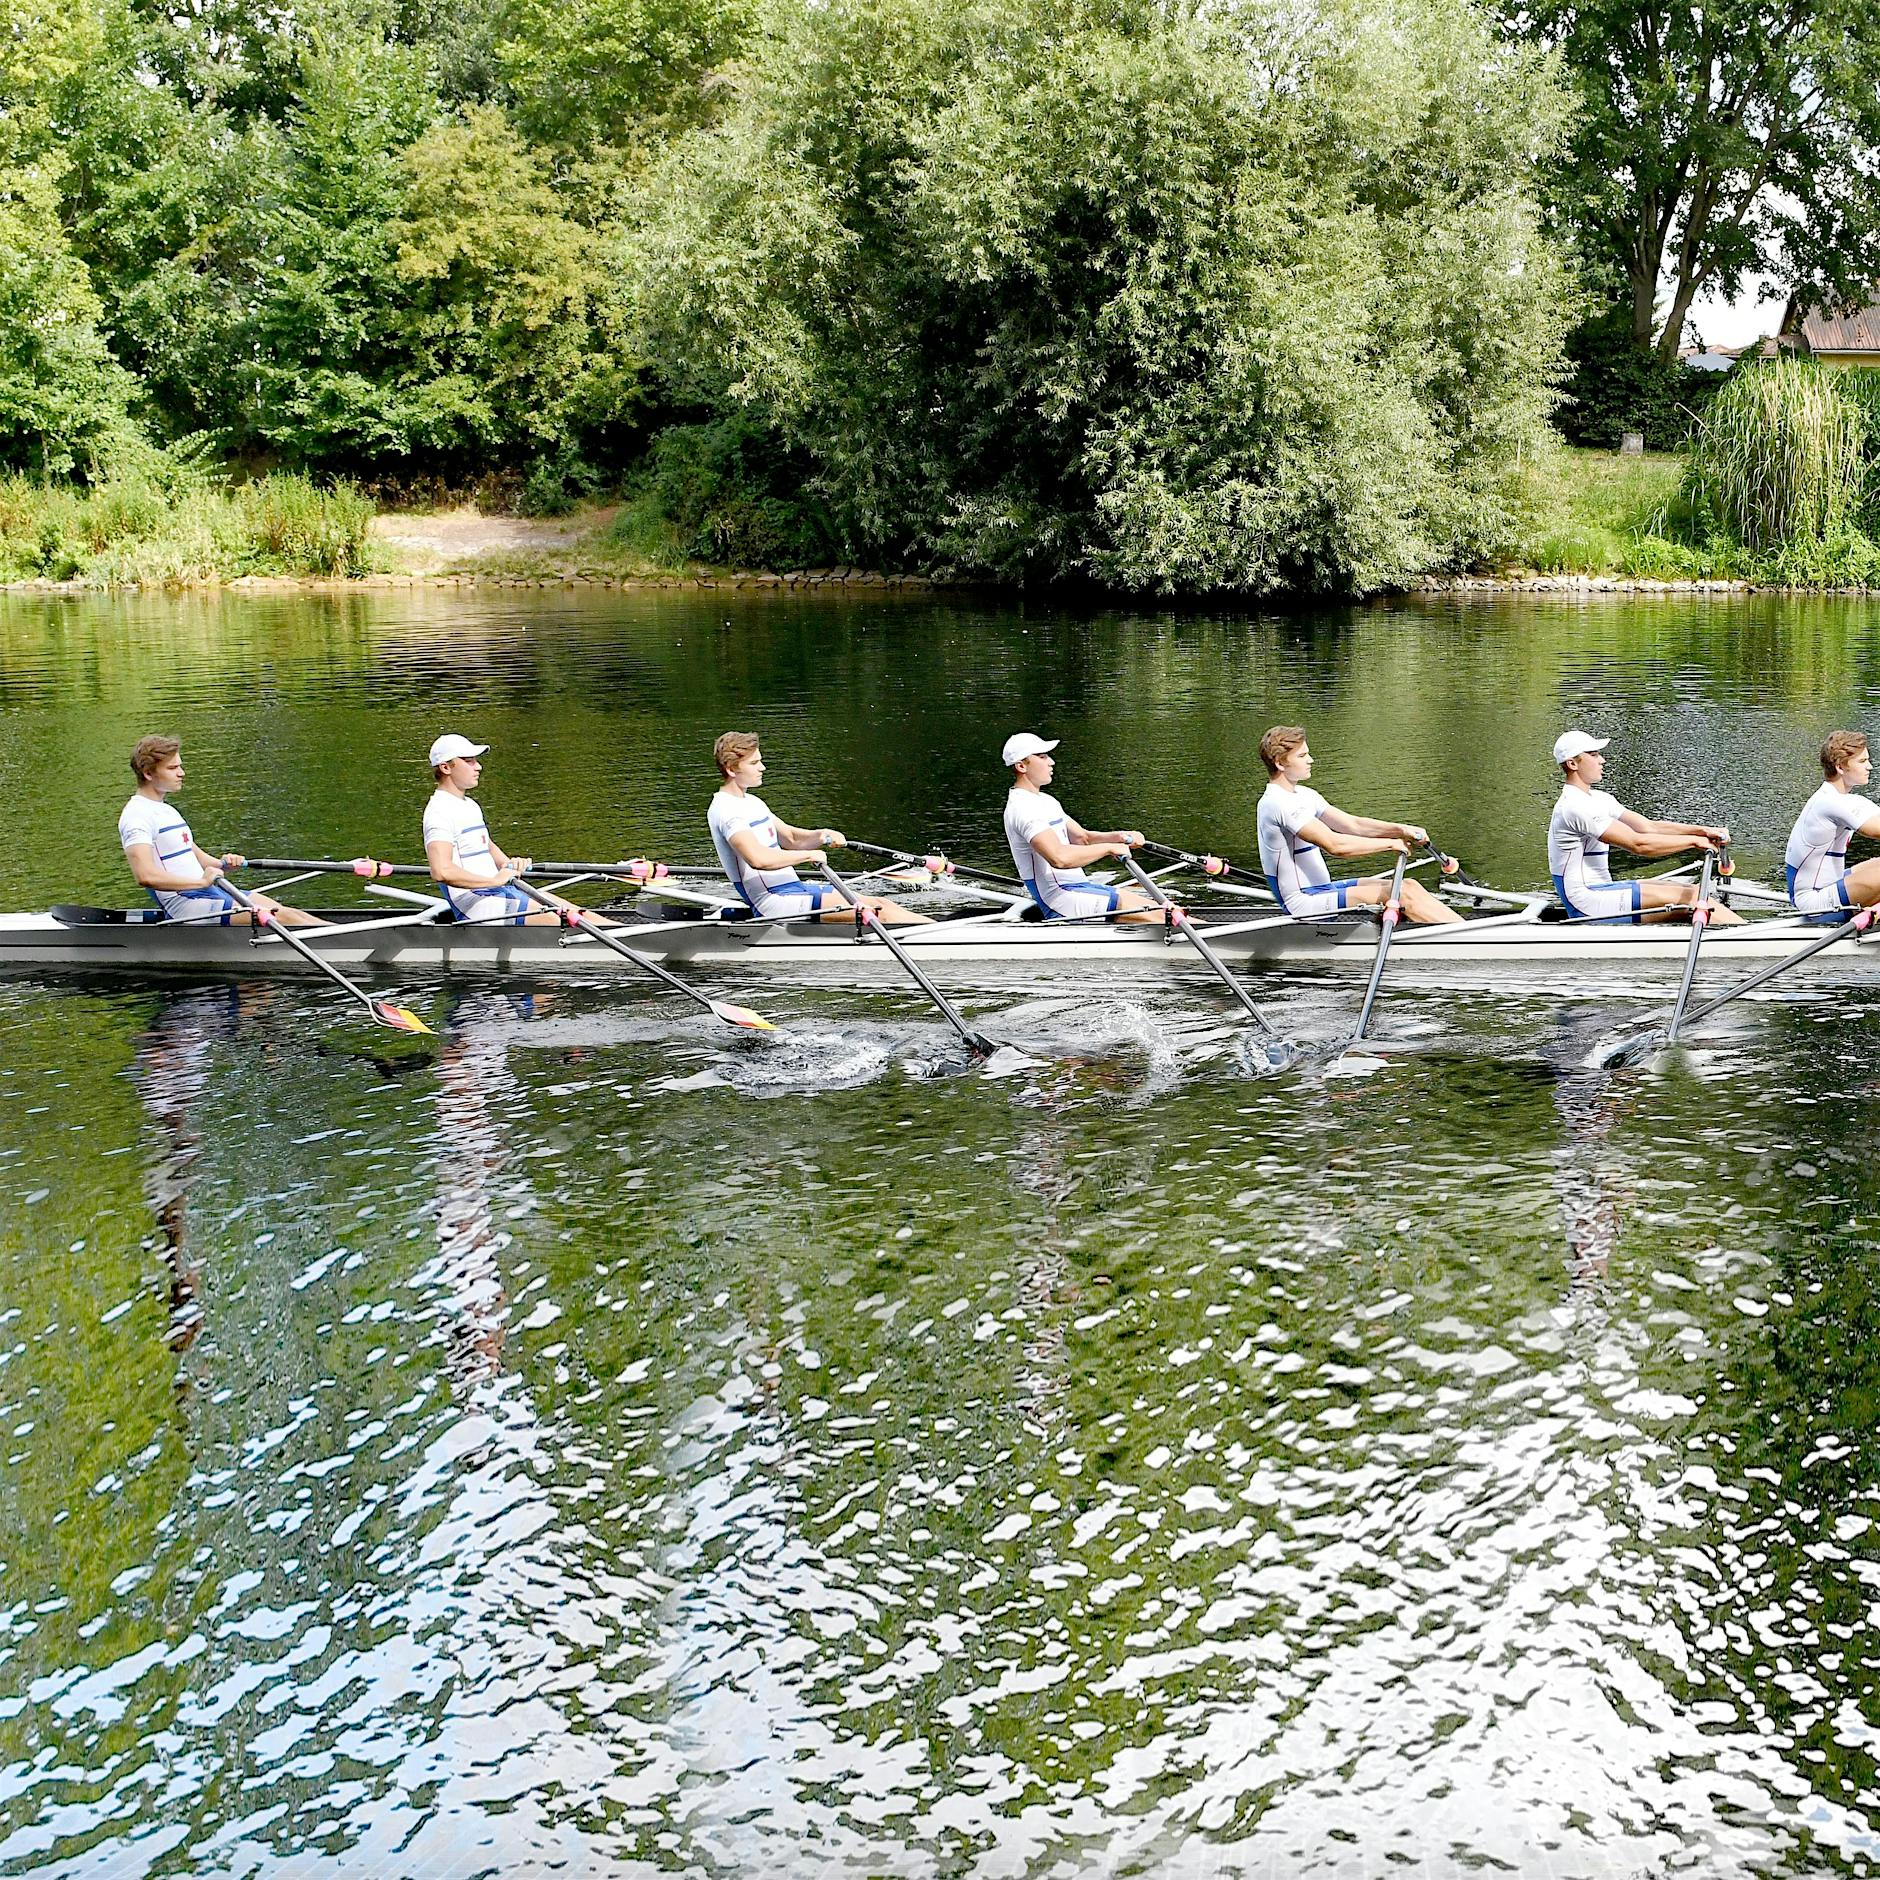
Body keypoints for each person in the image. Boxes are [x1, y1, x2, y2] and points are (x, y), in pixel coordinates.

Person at [708, 732, 929, 924]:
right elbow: (758, 860)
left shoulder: (752, 802)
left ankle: (956, 933)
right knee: (881, 913)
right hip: (774, 903)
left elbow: (792, 839)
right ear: (732, 769)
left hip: (794, 891)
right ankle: (955, 940)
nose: (763, 767)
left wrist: (822, 835)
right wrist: (808, 855)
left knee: (882, 903)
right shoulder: (726, 811)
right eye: (755, 763)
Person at [1255, 726, 1462, 924]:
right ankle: (1475, 941)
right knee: (1403, 894)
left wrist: (1401, 830)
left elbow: (1353, 825)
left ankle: (1467, 932)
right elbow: (1335, 845)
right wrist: (1390, 844)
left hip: (1323, 890)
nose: (1311, 760)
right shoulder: (1276, 803)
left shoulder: (1305, 795)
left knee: (1410, 885)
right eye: (1302, 756)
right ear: (1280, 763)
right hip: (1304, 904)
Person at [119, 735, 323, 927]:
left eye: (180, 766)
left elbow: (199, 859)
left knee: (293, 914)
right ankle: (352, 949)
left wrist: (224, 864)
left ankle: (352, 941)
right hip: (188, 906)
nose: (182, 773)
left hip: (209, 891)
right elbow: (145, 875)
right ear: (148, 773)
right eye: (173, 768)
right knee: (285, 917)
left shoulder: (166, 810)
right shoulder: (137, 816)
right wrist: (201, 881)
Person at [1548, 729, 1741, 924]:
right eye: (1594, 754)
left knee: (1695, 892)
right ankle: (1751, 940)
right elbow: (1639, 844)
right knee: (1692, 899)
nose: (1602, 760)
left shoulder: (1599, 799)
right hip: (1585, 902)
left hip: (1602, 891)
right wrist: (1694, 842)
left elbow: (1648, 827)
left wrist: (1702, 831)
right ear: (1572, 764)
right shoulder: (1573, 806)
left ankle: (1742, 933)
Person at [423, 734, 604, 927]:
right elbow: (441, 870)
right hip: (476, 905)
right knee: (559, 919)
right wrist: (494, 881)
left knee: (580, 914)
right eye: (469, 761)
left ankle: (632, 935)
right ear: (445, 767)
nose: (478, 766)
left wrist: (509, 865)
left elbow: (487, 845)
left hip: (499, 891)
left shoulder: (469, 805)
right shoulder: (439, 812)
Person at [1000, 733, 1158, 922]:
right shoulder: (1023, 808)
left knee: (1167, 911)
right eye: (1042, 756)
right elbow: (1059, 858)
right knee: (1165, 915)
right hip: (1061, 899)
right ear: (1021, 766)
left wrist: (1120, 836)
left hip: (1079, 888)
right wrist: (1108, 849)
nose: (1051, 762)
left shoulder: (1045, 801)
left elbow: (1083, 838)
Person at [1785, 729, 1880, 920]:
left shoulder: (1843, 799)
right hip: (1813, 903)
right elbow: (1876, 830)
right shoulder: (1830, 802)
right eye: (1862, 762)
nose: (1870, 767)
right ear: (1840, 767)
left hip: (1829, 886)